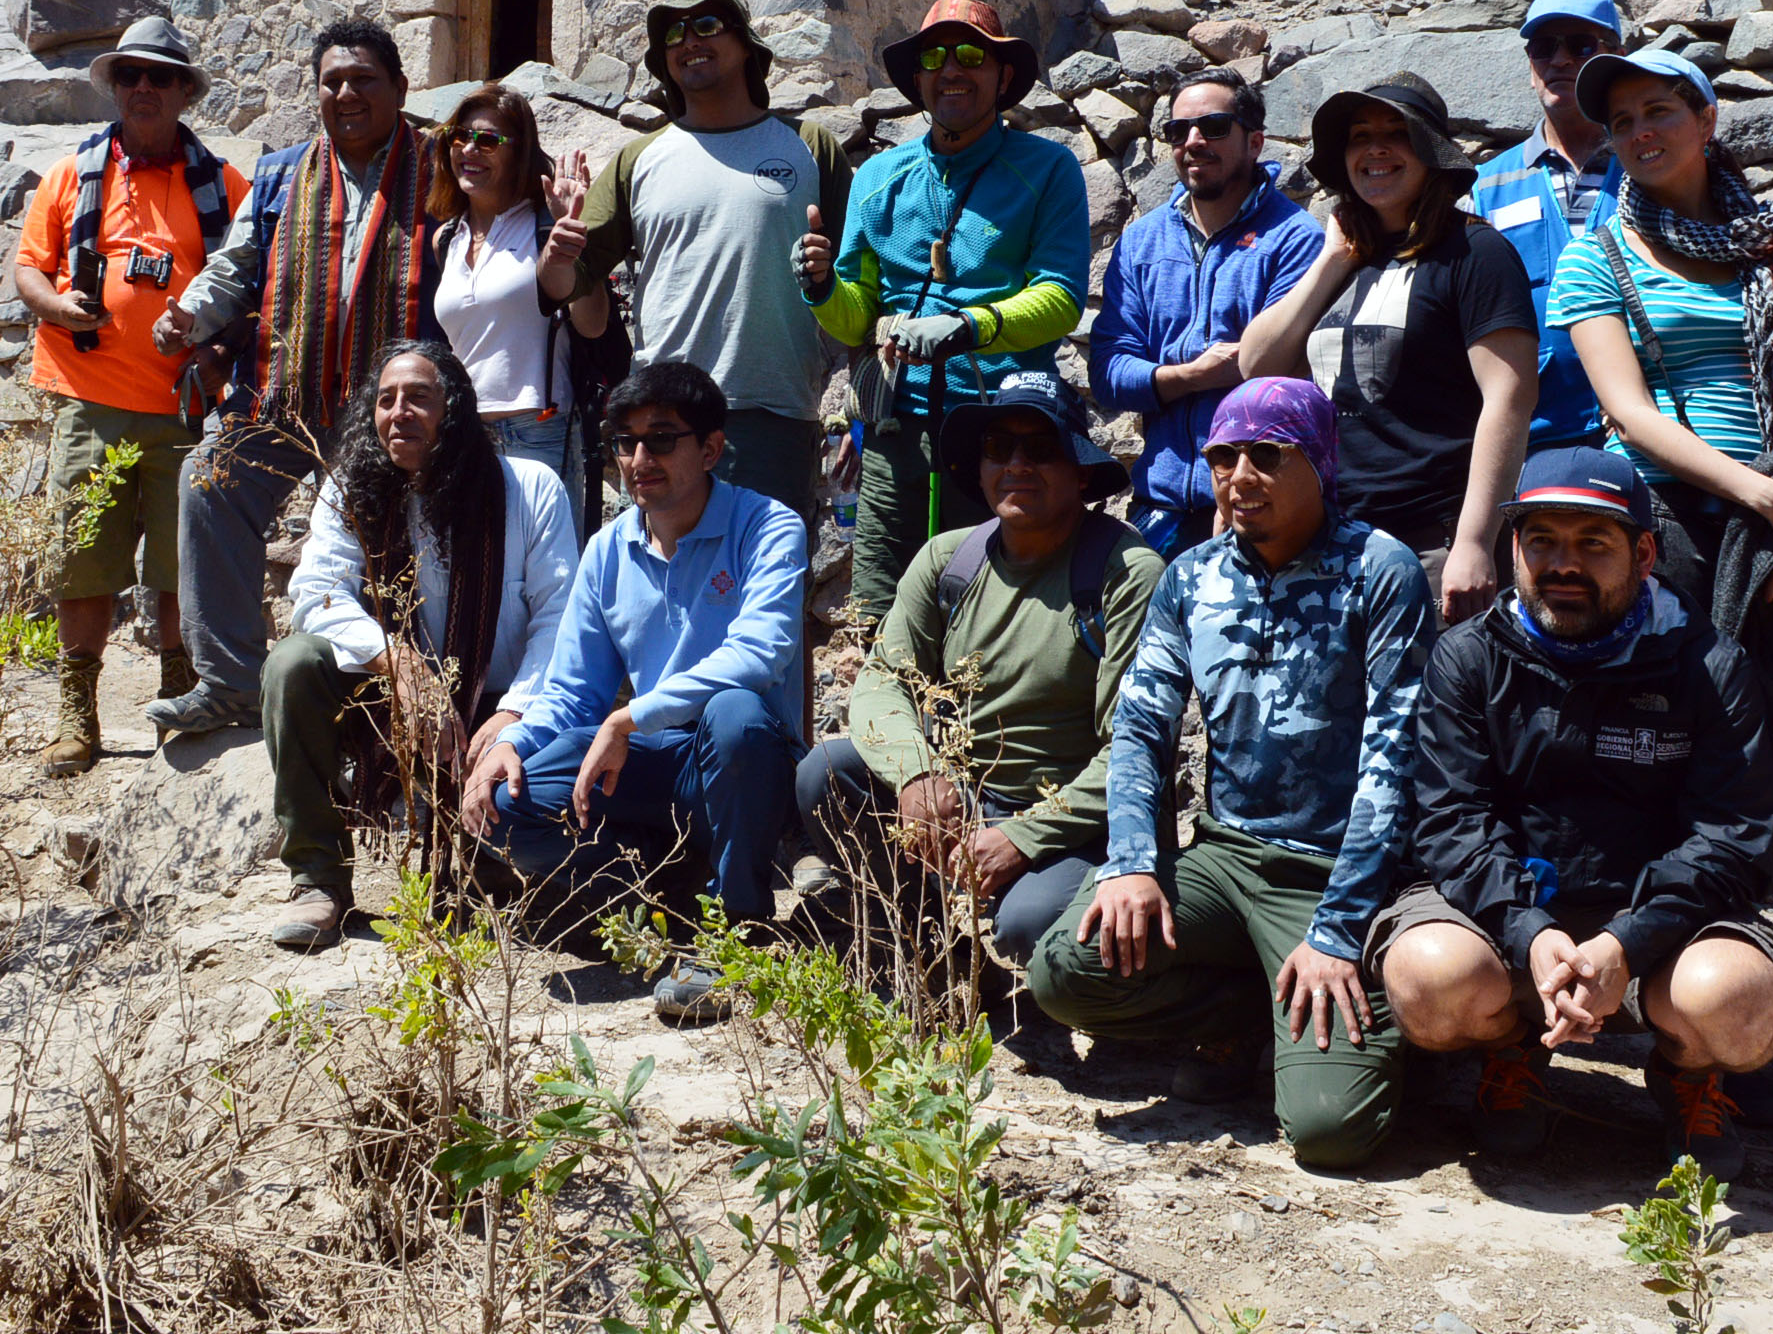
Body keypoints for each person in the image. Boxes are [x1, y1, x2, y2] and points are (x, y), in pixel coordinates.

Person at [1029, 379, 1433, 1172]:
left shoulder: (1381, 571)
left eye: (1266, 456)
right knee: (1067, 971)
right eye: (1223, 456)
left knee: (1329, 1133)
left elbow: (1394, 762)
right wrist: (1134, 862)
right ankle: (1249, 1010)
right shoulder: (1191, 577)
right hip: (1222, 857)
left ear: (1319, 460)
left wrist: (1339, 930)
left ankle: (1365, 1032)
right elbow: (1141, 730)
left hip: (1331, 876)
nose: (1239, 475)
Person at [1378, 448, 1773, 1179]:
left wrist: (1626, 943)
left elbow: (1731, 837)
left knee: (1738, 1001)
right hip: (1506, 918)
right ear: (1514, 548)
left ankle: (1689, 1073)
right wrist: (1529, 931)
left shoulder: (1709, 665)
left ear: (1645, 552)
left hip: (1660, 929)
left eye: (1593, 543)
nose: (1563, 564)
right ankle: (1511, 1051)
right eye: (1542, 541)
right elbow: (1449, 821)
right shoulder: (1467, 658)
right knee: (1426, 978)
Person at [460, 360, 807, 1025]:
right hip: (651, 766)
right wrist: (511, 742)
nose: (639, 458)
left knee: (735, 714)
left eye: (662, 438)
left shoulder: (768, 526)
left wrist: (631, 719)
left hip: (743, 768)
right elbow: (571, 690)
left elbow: (760, 655)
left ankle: (734, 932)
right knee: (509, 798)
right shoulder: (607, 550)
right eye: (625, 441)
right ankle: (655, 898)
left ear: (710, 449)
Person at [794, 371, 1162, 966]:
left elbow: (1136, 751)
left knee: (1030, 927)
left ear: (1083, 473)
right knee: (828, 773)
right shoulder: (949, 560)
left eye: (1040, 449)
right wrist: (917, 775)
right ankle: (927, 949)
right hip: (961, 801)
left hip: (1073, 824)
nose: (1016, 464)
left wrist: (1024, 836)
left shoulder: (1127, 573)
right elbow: (883, 681)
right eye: (998, 448)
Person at [147, 19, 448, 737]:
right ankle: (228, 683)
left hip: (388, 408)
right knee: (210, 481)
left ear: (401, 89)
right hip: (284, 391)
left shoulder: (439, 169)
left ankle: (375, 698)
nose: (346, 93)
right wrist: (189, 317)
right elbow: (235, 265)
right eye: (332, 81)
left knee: (388, 544)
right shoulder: (282, 173)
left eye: (364, 80)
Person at [256, 340, 580, 950]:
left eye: (419, 398)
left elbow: (561, 621)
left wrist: (515, 715)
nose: (398, 412)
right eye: (385, 400)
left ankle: (485, 860)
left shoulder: (530, 487)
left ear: (454, 412)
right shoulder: (352, 487)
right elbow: (318, 593)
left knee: (491, 886)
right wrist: (398, 663)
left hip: (500, 709)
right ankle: (318, 877)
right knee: (293, 664)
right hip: (390, 703)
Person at [795, 0, 1090, 620]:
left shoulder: (1048, 169)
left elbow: (1061, 298)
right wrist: (822, 286)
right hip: (895, 433)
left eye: (970, 55)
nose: (950, 68)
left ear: (1002, 76)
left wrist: (967, 326)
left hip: (1002, 432)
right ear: (918, 77)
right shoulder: (880, 175)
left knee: (999, 617)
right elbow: (855, 315)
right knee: (882, 616)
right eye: (934, 56)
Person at [9, 18, 249, 775]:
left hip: (185, 406)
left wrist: (215, 351)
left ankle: (181, 692)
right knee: (83, 563)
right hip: (90, 398)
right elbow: (28, 269)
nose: (142, 88)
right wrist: (54, 309)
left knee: (182, 566)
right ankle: (77, 713)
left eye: (159, 76)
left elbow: (254, 284)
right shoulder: (72, 175)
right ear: (115, 87)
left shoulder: (223, 184)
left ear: (184, 91)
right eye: (130, 76)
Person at [1239, 75, 1538, 624]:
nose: (1375, 149)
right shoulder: (1346, 258)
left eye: (1396, 133)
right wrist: (1332, 260)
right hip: (1331, 538)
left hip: (1431, 540)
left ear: (1432, 152)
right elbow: (1257, 366)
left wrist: (1473, 540)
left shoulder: (1475, 252)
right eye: (1359, 135)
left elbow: (1510, 400)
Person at [1547, 47, 1773, 595]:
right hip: (1665, 519)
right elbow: (1629, 414)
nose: (1640, 133)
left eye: (1658, 111)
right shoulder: (1593, 258)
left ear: (1706, 119)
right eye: (1623, 123)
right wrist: (1763, 498)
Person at [566, 0, 851, 530]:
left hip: (776, 415)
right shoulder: (638, 157)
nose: (687, 40)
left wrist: (851, 414)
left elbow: (861, 284)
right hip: (663, 420)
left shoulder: (812, 147)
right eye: (673, 32)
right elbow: (576, 275)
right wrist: (560, 247)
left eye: (706, 25)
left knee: (765, 598)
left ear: (747, 44)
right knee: (660, 597)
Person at [1090, 68, 1325, 557]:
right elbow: (1109, 371)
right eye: (1179, 131)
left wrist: (1237, 489)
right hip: (1159, 505)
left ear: (1255, 141)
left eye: (1214, 127)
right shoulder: (1143, 240)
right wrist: (1192, 376)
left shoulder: (1296, 239)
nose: (1194, 141)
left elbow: (1279, 377)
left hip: (1260, 505)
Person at [1471, 0, 1628, 452]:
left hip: (1644, 427)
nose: (1559, 61)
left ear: (1617, 57)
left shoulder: (1650, 167)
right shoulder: (1484, 185)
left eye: (1580, 45)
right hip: (1533, 434)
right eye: (1543, 48)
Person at [428, 83, 592, 519]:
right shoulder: (446, 238)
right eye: (459, 136)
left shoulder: (541, 227)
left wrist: (569, 244)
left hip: (537, 429)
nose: (469, 149)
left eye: (488, 140)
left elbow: (580, 311)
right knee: (475, 576)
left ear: (518, 151)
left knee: (548, 579)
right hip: (464, 432)